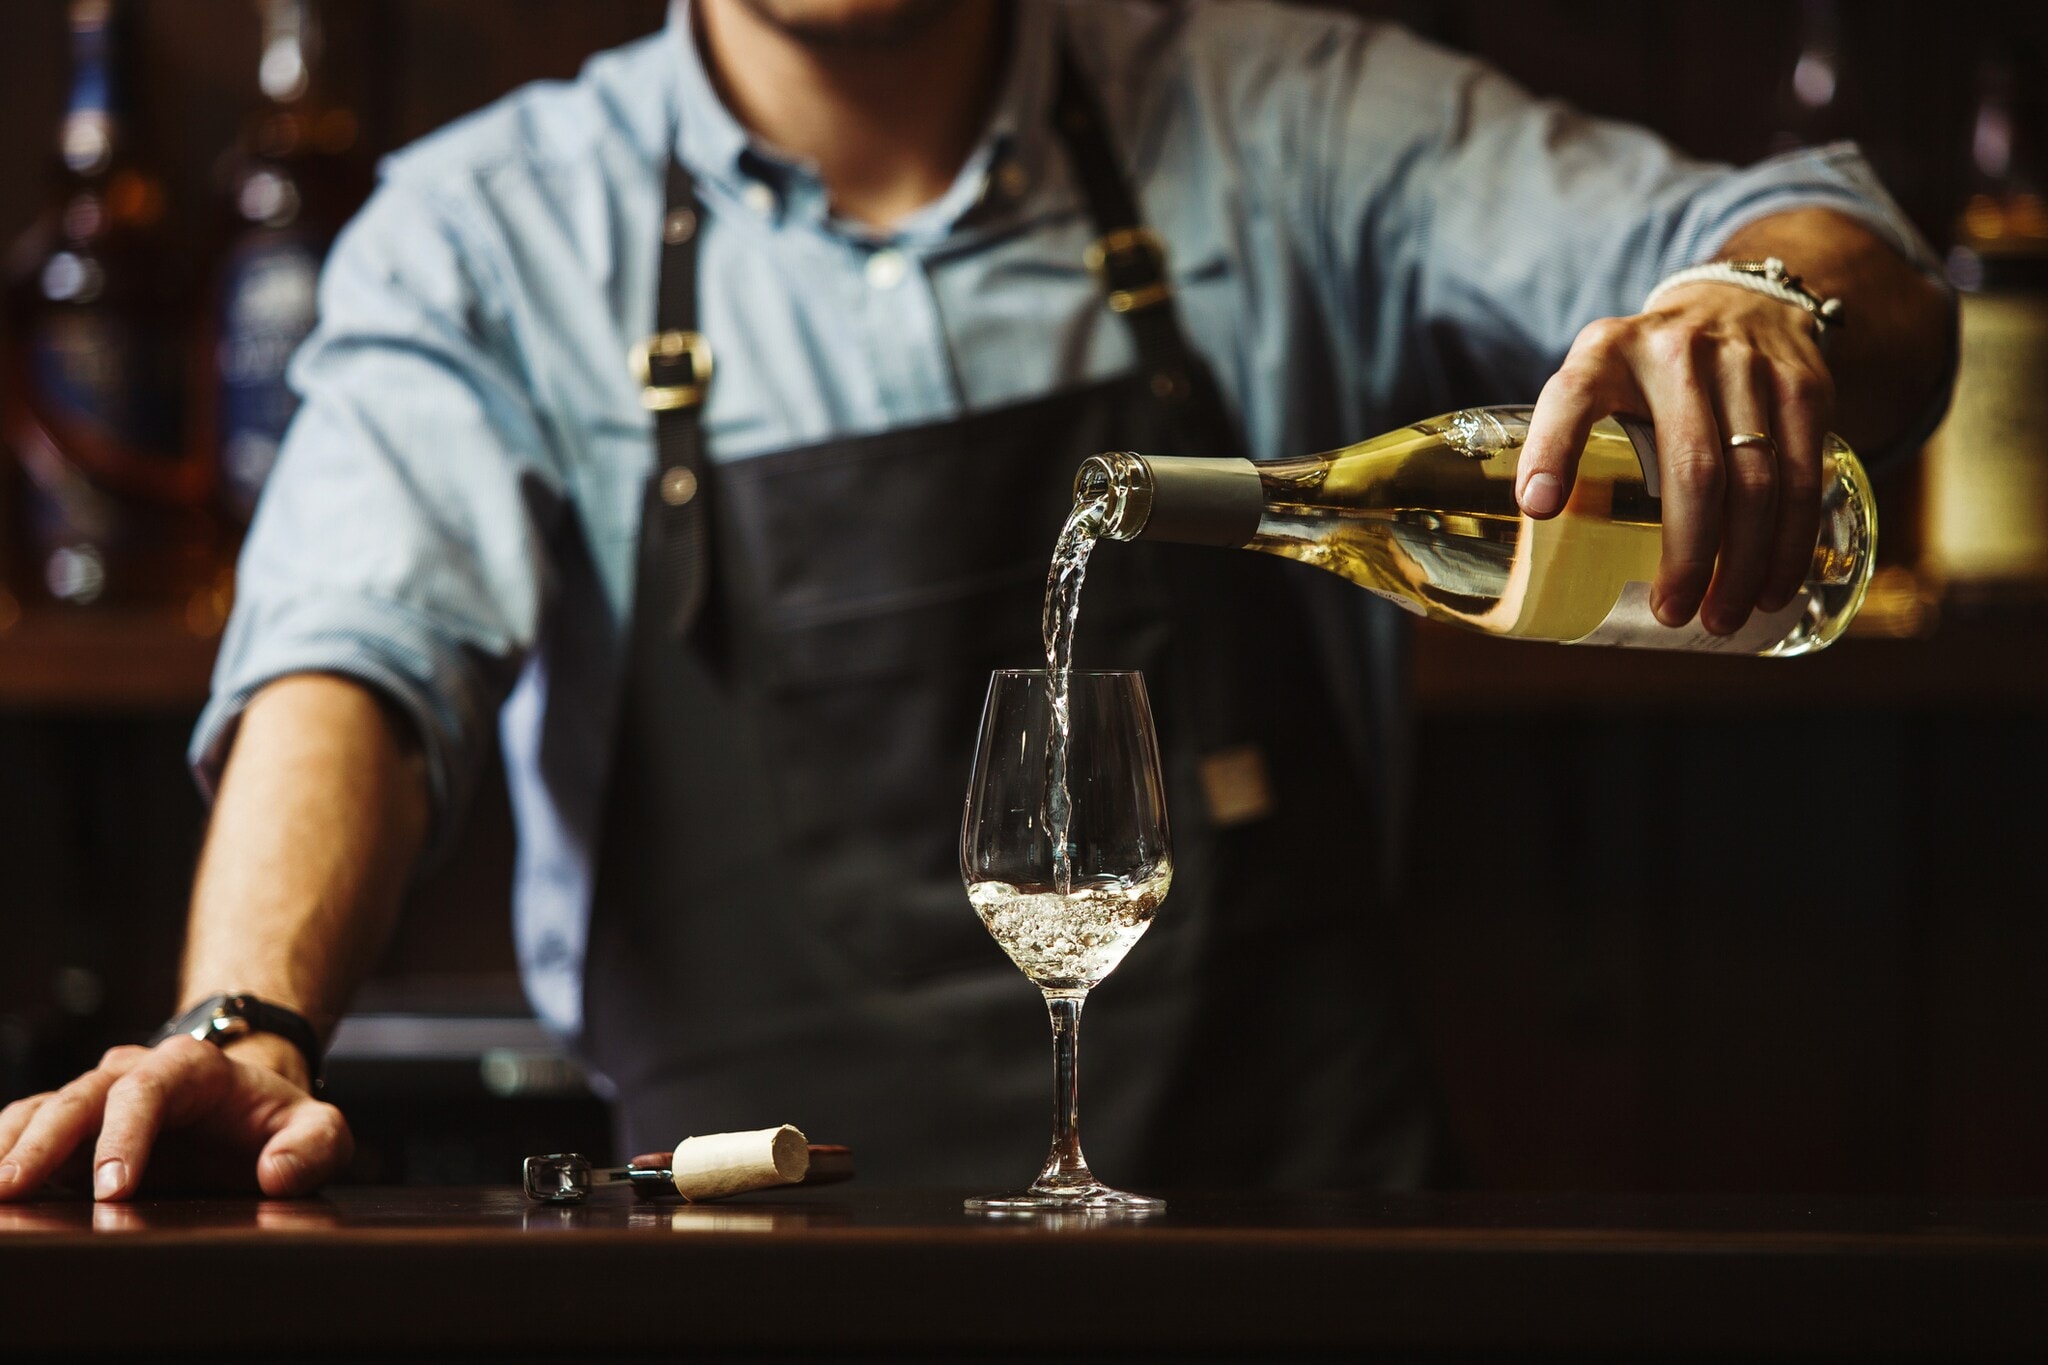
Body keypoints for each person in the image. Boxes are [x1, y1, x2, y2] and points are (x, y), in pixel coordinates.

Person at [0, 0, 1951, 1201]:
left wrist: (1754, 309)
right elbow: (350, 640)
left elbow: (1837, 245)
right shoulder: (486, 232)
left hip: (1300, 1257)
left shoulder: (1282, 111)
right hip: (732, 1276)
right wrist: (244, 1023)